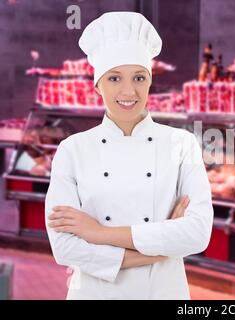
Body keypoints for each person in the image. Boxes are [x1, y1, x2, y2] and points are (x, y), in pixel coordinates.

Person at [44, 11, 214, 300]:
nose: (128, 91)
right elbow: (64, 248)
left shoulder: (181, 144)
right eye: (114, 78)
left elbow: (197, 234)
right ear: (97, 85)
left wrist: (98, 234)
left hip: (162, 293)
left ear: (149, 81)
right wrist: (158, 252)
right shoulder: (73, 149)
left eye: (138, 77)